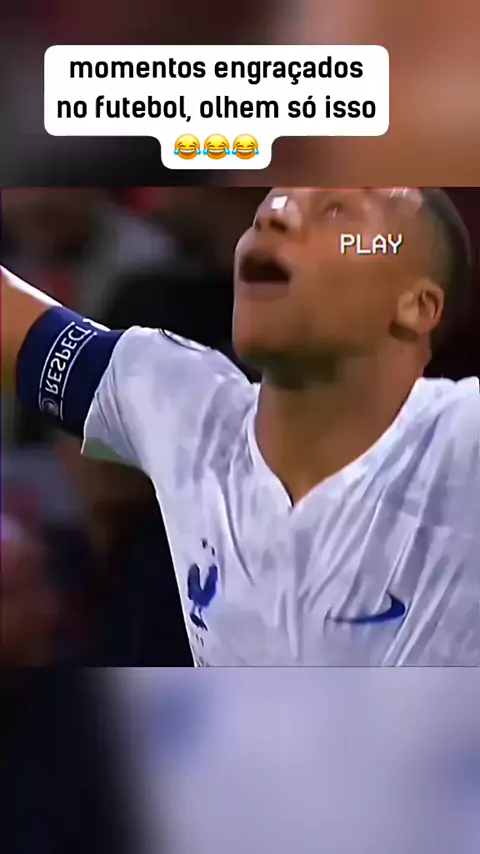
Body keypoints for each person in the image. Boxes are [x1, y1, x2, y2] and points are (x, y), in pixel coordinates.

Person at [2, 187, 479, 665]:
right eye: (268, 207)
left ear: (417, 306)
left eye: (336, 212)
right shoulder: (187, 409)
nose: (275, 216)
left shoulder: (461, 434)